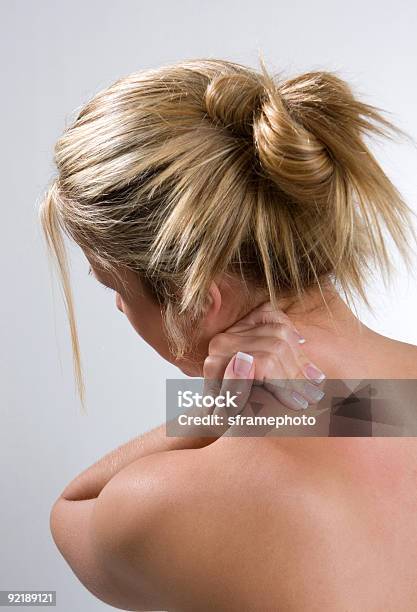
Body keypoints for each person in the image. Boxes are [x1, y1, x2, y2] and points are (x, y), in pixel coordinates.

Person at [41, 58, 417, 610]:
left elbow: (68, 512)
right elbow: (371, 417)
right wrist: (303, 405)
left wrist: (210, 415)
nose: (122, 308)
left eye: (112, 286)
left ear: (198, 299)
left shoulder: (166, 506)